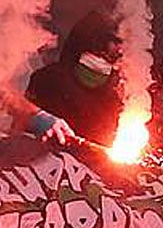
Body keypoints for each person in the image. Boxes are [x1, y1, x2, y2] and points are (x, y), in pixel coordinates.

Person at [26, 11, 126, 145]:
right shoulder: (49, 79)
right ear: (95, 41)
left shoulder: (115, 95)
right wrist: (37, 119)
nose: (120, 50)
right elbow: (21, 125)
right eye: (115, 42)